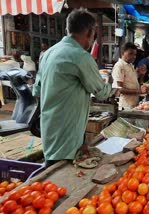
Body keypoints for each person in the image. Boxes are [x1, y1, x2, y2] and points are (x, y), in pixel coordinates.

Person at [33, 8, 113, 167]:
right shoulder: (80, 56)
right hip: (67, 129)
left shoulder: (49, 53)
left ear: (67, 29)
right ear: (90, 32)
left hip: (49, 124)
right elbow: (102, 93)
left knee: (52, 164)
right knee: (60, 172)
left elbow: (37, 90)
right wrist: (110, 83)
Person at [112, 42, 148, 110]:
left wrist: (142, 74)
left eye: (135, 54)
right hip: (125, 106)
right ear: (123, 53)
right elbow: (120, 89)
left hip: (134, 104)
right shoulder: (119, 66)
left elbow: (135, 82)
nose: (133, 56)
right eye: (130, 54)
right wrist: (139, 91)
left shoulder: (130, 65)